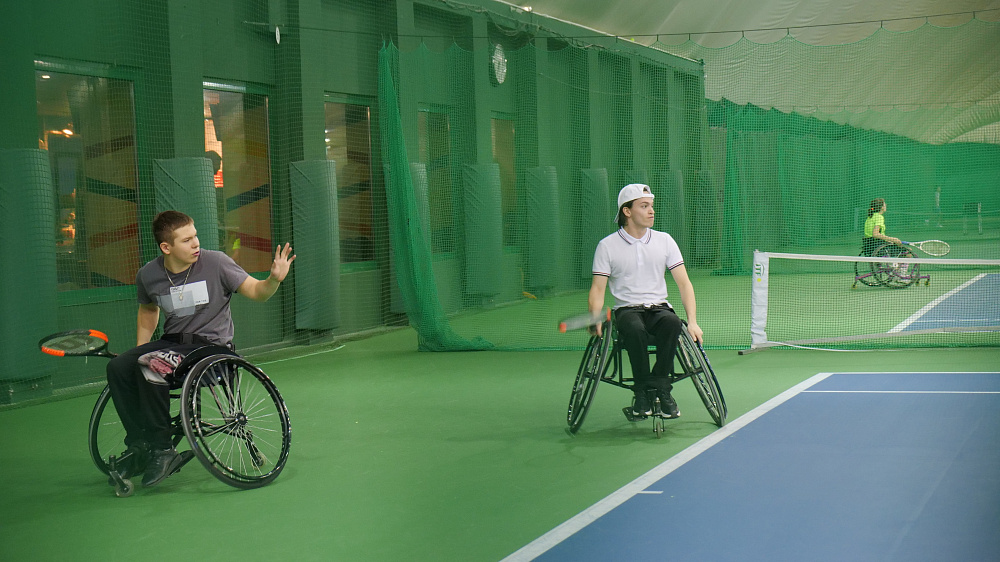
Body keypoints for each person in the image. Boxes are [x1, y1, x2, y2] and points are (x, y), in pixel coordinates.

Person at [106, 210, 295, 487]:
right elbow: (148, 310)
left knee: (151, 364)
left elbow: (257, 291)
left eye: (195, 236)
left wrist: (274, 280)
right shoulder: (148, 274)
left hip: (211, 348)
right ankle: (139, 445)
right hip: (171, 343)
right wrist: (140, 350)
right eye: (186, 240)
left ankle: (163, 449)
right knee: (118, 366)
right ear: (166, 247)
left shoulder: (216, 263)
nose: (195, 243)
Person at [588, 184, 702, 419]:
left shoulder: (665, 241)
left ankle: (660, 388)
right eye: (644, 206)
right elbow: (598, 289)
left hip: (659, 308)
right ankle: (642, 392)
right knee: (633, 328)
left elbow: (684, 284)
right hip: (627, 310)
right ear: (627, 211)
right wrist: (595, 317)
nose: (651, 211)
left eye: (651, 206)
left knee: (673, 323)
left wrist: (692, 322)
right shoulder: (607, 246)